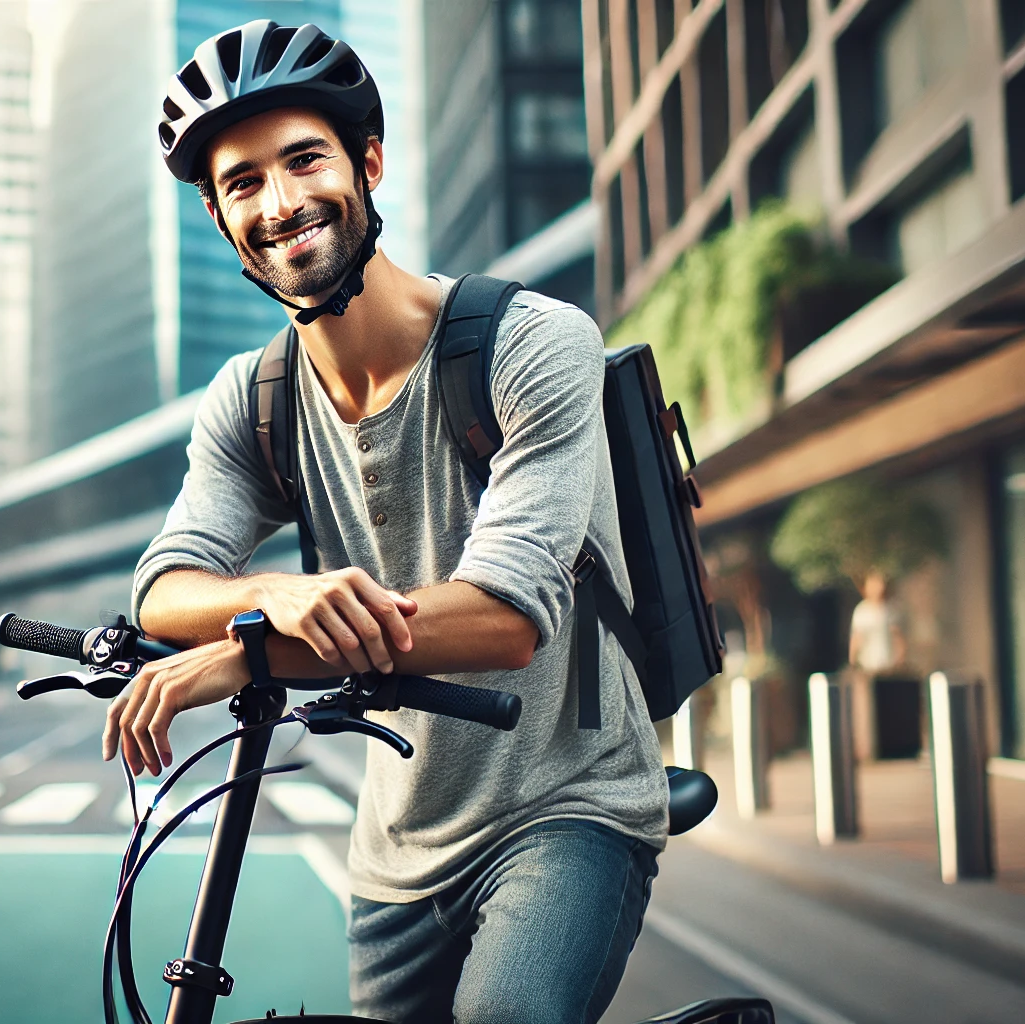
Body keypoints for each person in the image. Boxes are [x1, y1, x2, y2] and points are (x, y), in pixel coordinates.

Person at [103, 21, 666, 1024]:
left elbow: (504, 618)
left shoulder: (530, 343)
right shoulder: (254, 397)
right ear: (218, 216)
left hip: (565, 804)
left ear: (367, 162)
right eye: (242, 183)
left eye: (303, 160)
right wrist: (272, 594)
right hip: (397, 845)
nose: (279, 204)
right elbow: (165, 586)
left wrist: (249, 657)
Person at [847, 570, 907, 761]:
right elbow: (857, 637)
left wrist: (900, 657)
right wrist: (853, 659)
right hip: (868, 665)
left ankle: (889, 747)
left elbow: (897, 636)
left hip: (887, 664)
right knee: (867, 707)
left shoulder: (890, 609)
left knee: (888, 706)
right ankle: (868, 749)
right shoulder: (862, 611)